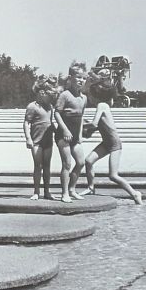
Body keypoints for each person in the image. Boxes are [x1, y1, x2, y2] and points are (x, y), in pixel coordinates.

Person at [83, 78, 143, 204]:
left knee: (113, 175)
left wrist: (81, 125)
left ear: (96, 96)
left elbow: (94, 124)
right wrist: (86, 131)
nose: (90, 99)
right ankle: (91, 188)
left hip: (114, 144)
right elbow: (95, 129)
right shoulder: (103, 106)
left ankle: (135, 194)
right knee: (88, 161)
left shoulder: (102, 105)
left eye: (91, 96)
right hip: (107, 143)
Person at [54, 62, 88, 203]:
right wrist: (65, 130)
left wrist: (79, 134)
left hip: (75, 135)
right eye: (78, 77)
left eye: (84, 78)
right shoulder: (64, 95)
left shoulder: (84, 98)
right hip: (63, 134)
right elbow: (56, 114)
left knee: (80, 162)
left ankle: (72, 189)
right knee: (67, 164)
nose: (81, 80)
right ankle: (64, 193)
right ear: (70, 78)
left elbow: (81, 117)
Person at [23, 77, 57, 200]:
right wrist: (28, 138)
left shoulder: (50, 107)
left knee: (47, 166)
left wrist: (57, 131)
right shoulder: (32, 106)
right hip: (36, 141)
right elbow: (27, 122)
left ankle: (47, 191)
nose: (51, 98)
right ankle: (36, 191)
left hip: (48, 140)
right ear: (41, 93)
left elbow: (50, 122)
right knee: (38, 166)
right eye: (49, 95)